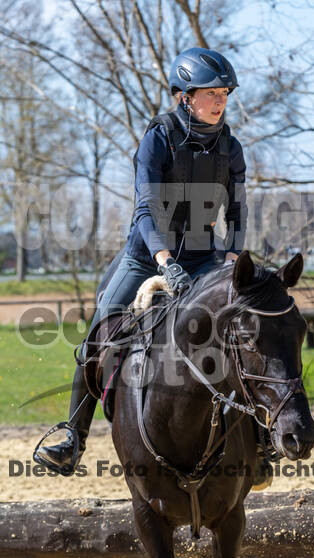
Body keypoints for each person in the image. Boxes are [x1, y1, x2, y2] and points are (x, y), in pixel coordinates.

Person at [33, 47, 248, 476]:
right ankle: (72, 438)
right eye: (211, 93)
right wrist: (165, 261)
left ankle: (258, 445)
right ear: (184, 96)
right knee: (98, 334)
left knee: (242, 331)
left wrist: (232, 257)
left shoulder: (231, 146)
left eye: (224, 92)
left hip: (206, 259)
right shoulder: (158, 138)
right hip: (146, 258)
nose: (220, 100)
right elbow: (146, 210)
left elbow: (238, 212)